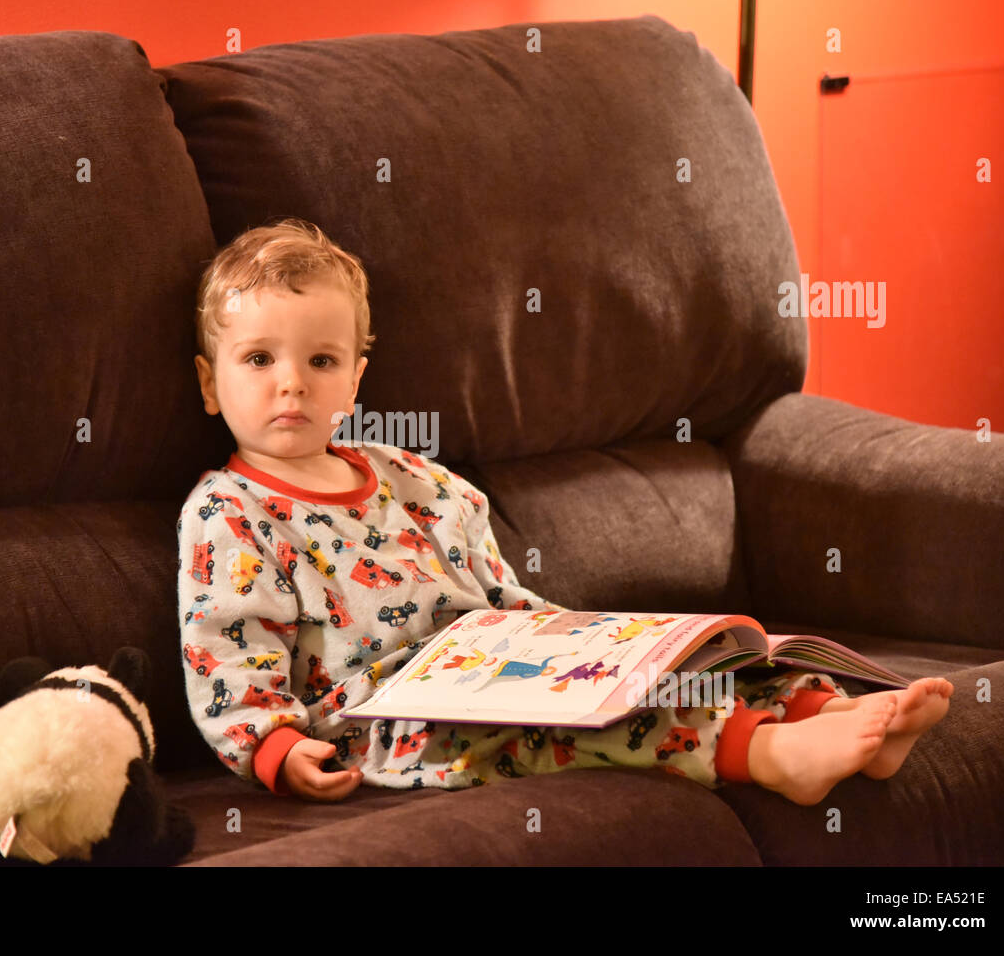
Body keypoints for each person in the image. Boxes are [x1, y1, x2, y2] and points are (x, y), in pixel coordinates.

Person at [176, 217, 953, 806]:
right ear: (211, 386)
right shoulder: (229, 514)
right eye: (258, 359)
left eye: (321, 360)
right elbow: (228, 654)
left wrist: (589, 649)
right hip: (388, 718)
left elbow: (503, 594)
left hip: (494, 665)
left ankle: (821, 706)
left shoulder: (412, 478)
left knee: (677, 669)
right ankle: (773, 756)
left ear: (354, 380)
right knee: (573, 728)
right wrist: (275, 746)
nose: (292, 383)